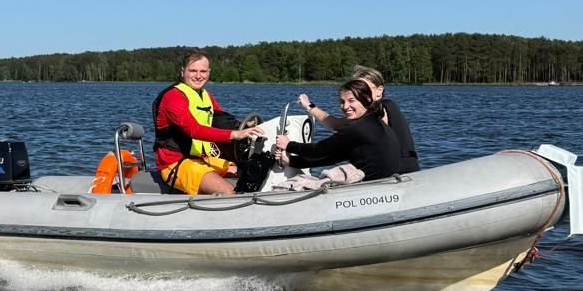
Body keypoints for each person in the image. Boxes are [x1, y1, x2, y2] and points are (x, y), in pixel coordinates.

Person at [153, 51, 262, 195]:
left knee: (249, 174)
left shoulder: (205, 95)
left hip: (202, 158)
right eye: (193, 71)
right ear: (182, 71)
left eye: (203, 71)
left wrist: (245, 126)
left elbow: (220, 119)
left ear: (208, 72)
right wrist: (236, 134)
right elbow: (194, 130)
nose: (198, 76)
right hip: (175, 163)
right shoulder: (173, 97)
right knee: (228, 191)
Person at [273, 78, 401, 186]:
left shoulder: (358, 128)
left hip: (373, 190)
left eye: (351, 101)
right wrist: (293, 161)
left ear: (366, 100)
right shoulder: (374, 122)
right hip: (385, 185)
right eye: (342, 102)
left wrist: (289, 145)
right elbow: (330, 157)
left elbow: (318, 150)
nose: (345, 107)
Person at [297, 64, 419, 172]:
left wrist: (309, 106)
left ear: (379, 91)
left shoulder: (375, 113)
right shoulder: (388, 105)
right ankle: (296, 162)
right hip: (410, 168)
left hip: (398, 172)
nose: (359, 92)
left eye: (364, 88)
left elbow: (336, 125)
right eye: (356, 87)